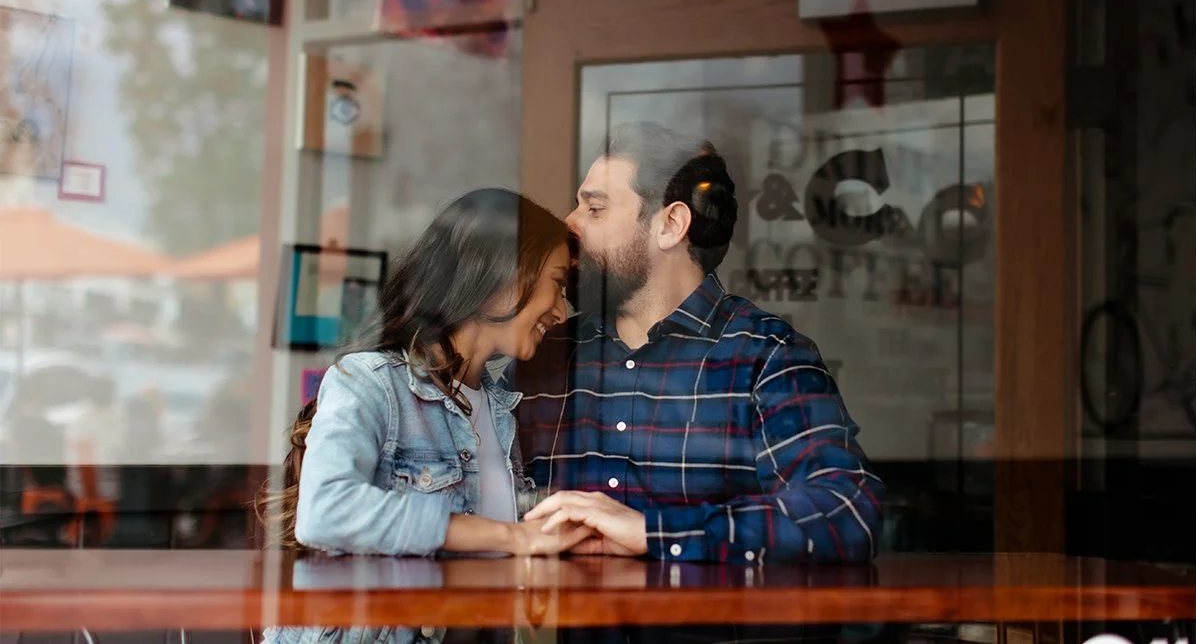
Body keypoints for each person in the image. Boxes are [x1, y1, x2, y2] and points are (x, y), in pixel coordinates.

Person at [516, 122, 884, 564]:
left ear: (671, 224)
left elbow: (847, 511)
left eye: (594, 209)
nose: (568, 224)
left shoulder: (765, 357)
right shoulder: (542, 356)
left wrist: (656, 533)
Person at [260, 189, 594, 559]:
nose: (562, 312)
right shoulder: (371, 382)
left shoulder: (501, 409)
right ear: (503, 277)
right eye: (557, 284)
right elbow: (324, 512)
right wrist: (512, 537)